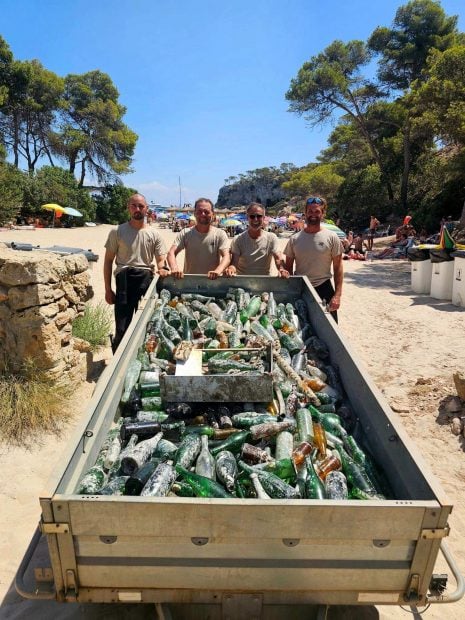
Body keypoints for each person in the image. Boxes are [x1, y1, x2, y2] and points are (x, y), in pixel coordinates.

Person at [104, 193, 169, 352]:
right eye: (134, 205)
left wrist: (162, 267)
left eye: (141, 206)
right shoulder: (117, 231)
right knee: (122, 324)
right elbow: (108, 261)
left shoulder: (154, 234)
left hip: (145, 277)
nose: (137, 209)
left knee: (146, 323)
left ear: (147, 209)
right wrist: (107, 289)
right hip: (124, 277)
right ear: (128, 208)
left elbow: (161, 259)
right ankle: (118, 357)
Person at [284, 196, 343, 322]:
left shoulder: (332, 237)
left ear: (323, 213)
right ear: (305, 213)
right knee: (301, 326)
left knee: (330, 330)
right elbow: (288, 267)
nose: (313, 214)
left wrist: (337, 295)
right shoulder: (294, 239)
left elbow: (338, 267)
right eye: (310, 211)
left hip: (324, 288)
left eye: (317, 211)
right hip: (301, 288)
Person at [167, 198, 230, 279]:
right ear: (194, 214)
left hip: (212, 282)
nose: (203, 214)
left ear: (213, 214)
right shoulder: (185, 233)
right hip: (189, 282)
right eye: (199, 211)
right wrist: (174, 269)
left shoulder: (220, 234)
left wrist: (218, 271)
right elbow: (171, 253)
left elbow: (227, 256)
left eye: (206, 212)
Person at [224, 202, 289, 277]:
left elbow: (278, 258)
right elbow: (234, 262)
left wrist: (281, 269)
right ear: (247, 217)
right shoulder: (238, 239)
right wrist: (231, 269)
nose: (255, 219)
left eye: (259, 216)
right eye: (252, 216)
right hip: (242, 283)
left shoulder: (272, 238)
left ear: (264, 218)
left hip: (264, 282)